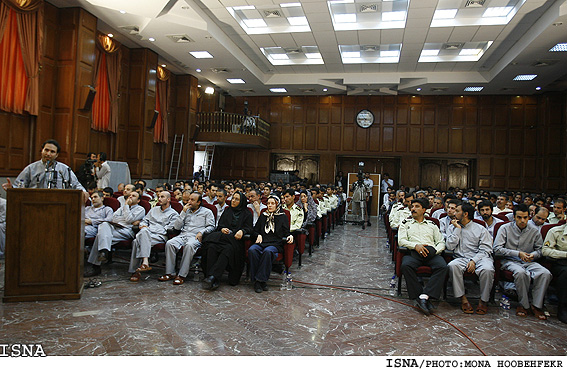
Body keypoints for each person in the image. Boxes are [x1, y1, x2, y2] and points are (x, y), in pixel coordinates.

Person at [493, 204, 552, 319]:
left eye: (525, 217)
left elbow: (540, 250)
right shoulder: (505, 228)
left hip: (529, 261)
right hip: (510, 261)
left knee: (545, 273)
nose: (522, 220)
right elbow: (497, 249)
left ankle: (536, 306)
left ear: (529, 217)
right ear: (514, 217)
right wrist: (518, 253)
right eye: (519, 217)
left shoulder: (534, 230)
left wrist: (533, 255)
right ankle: (523, 305)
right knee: (521, 273)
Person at [398, 198, 447, 315]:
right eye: (412, 206)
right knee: (406, 265)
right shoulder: (406, 223)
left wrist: (435, 251)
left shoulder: (432, 225)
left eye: (417, 206)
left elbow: (441, 241)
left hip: (431, 253)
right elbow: (401, 241)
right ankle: (420, 296)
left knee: (443, 267)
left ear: (424, 210)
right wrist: (415, 246)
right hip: (414, 252)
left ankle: (424, 296)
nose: (413, 209)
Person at [446, 203, 494, 315]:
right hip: (461, 258)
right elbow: (450, 246)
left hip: (480, 258)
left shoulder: (480, 229)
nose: (454, 212)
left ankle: (483, 301)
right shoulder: (452, 227)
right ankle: (463, 299)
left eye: (457, 211)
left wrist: (474, 260)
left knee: (488, 269)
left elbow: (486, 249)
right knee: (452, 266)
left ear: (465, 214)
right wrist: (457, 229)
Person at [2, 139, 88, 201]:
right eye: (46, 150)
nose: (48, 154)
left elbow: (76, 185)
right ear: (42, 151)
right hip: (34, 203)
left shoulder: (64, 169)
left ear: (56, 155)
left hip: (58, 203)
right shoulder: (31, 168)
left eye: (52, 152)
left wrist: (84, 192)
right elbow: (20, 186)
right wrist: (12, 188)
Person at [158, 192, 215, 285]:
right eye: (189, 199)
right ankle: (170, 273)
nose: (189, 202)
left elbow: (212, 227)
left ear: (199, 202)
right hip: (183, 235)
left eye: (192, 200)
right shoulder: (186, 210)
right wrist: (183, 212)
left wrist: (202, 232)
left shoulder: (207, 212)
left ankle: (181, 275)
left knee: (189, 246)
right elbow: (176, 227)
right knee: (170, 243)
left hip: (196, 236)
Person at [85, 191, 145, 277]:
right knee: (104, 224)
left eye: (133, 196)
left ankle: (96, 265)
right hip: (115, 228)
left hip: (126, 231)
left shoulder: (140, 209)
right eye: (130, 195)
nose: (130, 197)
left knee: (100, 236)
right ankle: (104, 250)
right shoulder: (122, 208)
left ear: (138, 200)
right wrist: (126, 219)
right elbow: (113, 219)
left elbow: (128, 219)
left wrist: (126, 207)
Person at [201, 191, 253, 290]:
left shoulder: (247, 213)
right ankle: (211, 277)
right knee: (211, 247)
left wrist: (242, 231)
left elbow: (250, 228)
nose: (233, 201)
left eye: (236, 199)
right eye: (233, 198)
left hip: (235, 242)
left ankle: (213, 277)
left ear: (241, 201)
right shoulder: (227, 210)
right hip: (223, 239)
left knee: (227, 249)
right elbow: (220, 225)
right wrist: (222, 229)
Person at [128, 191, 179, 282]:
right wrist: (143, 226)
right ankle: (145, 262)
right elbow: (144, 221)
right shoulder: (153, 210)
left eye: (162, 197)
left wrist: (148, 229)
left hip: (159, 236)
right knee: (138, 238)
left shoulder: (173, 214)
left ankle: (136, 270)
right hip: (147, 233)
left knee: (138, 239)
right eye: (159, 197)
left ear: (168, 199)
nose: (159, 199)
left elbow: (167, 229)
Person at [249, 196, 293, 293]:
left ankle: (259, 281)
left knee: (268, 252)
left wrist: (290, 236)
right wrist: (258, 234)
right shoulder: (263, 215)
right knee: (252, 250)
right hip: (262, 242)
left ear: (277, 204)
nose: (270, 205)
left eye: (272, 203)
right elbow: (255, 230)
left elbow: (287, 232)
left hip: (275, 244)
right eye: (268, 203)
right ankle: (260, 280)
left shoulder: (282, 216)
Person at [542, 222, 567, 323]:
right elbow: (545, 251)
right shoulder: (555, 231)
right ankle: (563, 306)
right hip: (560, 263)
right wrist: (565, 254)